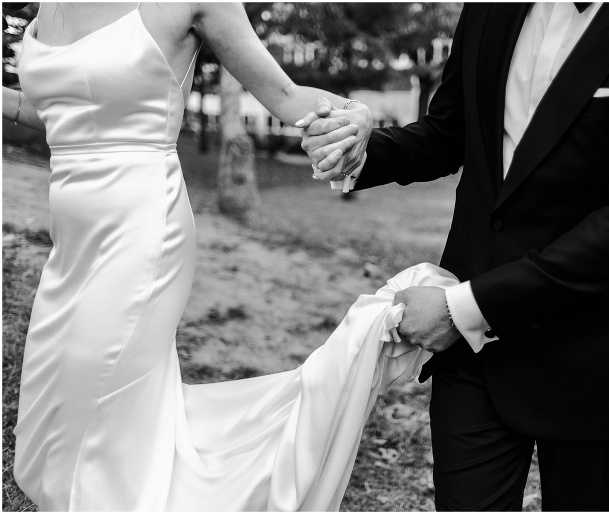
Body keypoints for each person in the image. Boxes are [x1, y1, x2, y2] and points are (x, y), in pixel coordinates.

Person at [300, 2, 609, 510]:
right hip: (476, 362)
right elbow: (451, 131)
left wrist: (462, 311)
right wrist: (363, 149)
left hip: (597, 355)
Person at [1, 2, 449, 511]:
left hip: (138, 233)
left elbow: (286, 96)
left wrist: (356, 115)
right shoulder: (50, 5)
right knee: (58, 403)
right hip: (71, 237)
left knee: (92, 398)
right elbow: (66, 110)